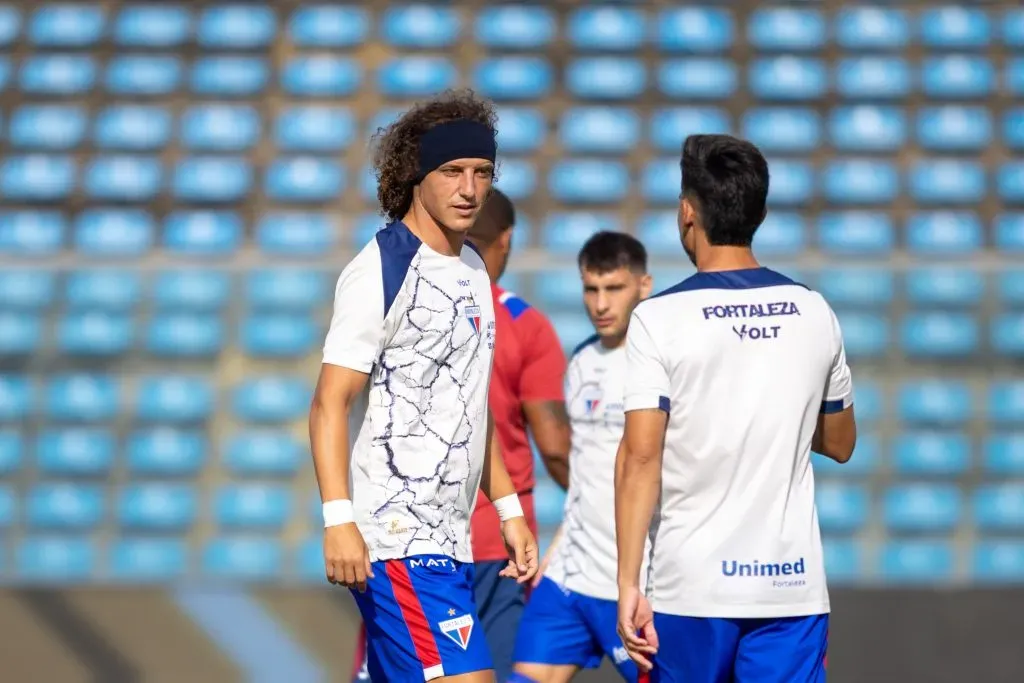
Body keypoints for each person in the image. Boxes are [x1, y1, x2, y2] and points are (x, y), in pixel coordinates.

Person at [310, 89, 538, 683]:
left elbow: (470, 405)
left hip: (452, 541)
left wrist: (509, 510)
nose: (469, 189)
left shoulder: (472, 270)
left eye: (482, 173)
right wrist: (338, 520)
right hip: (399, 541)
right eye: (452, 171)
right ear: (417, 174)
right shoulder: (379, 269)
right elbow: (329, 404)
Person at [614, 134, 857, 683]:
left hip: (691, 588)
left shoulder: (660, 318)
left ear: (687, 213)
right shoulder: (814, 311)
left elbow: (639, 459)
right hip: (790, 588)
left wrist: (629, 583)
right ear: (761, 212)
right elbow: (841, 442)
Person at [351, 189, 572, 682]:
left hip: (405, 534)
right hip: (491, 546)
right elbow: (554, 445)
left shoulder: (405, 291)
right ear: (508, 239)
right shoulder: (525, 323)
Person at [509, 232, 653, 683]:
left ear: (643, 287)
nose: (601, 304)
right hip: (569, 577)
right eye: (591, 289)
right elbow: (586, 467)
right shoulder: (581, 361)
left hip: (635, 584)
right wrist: (555, 548)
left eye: (614, 289)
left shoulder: (662, 364)